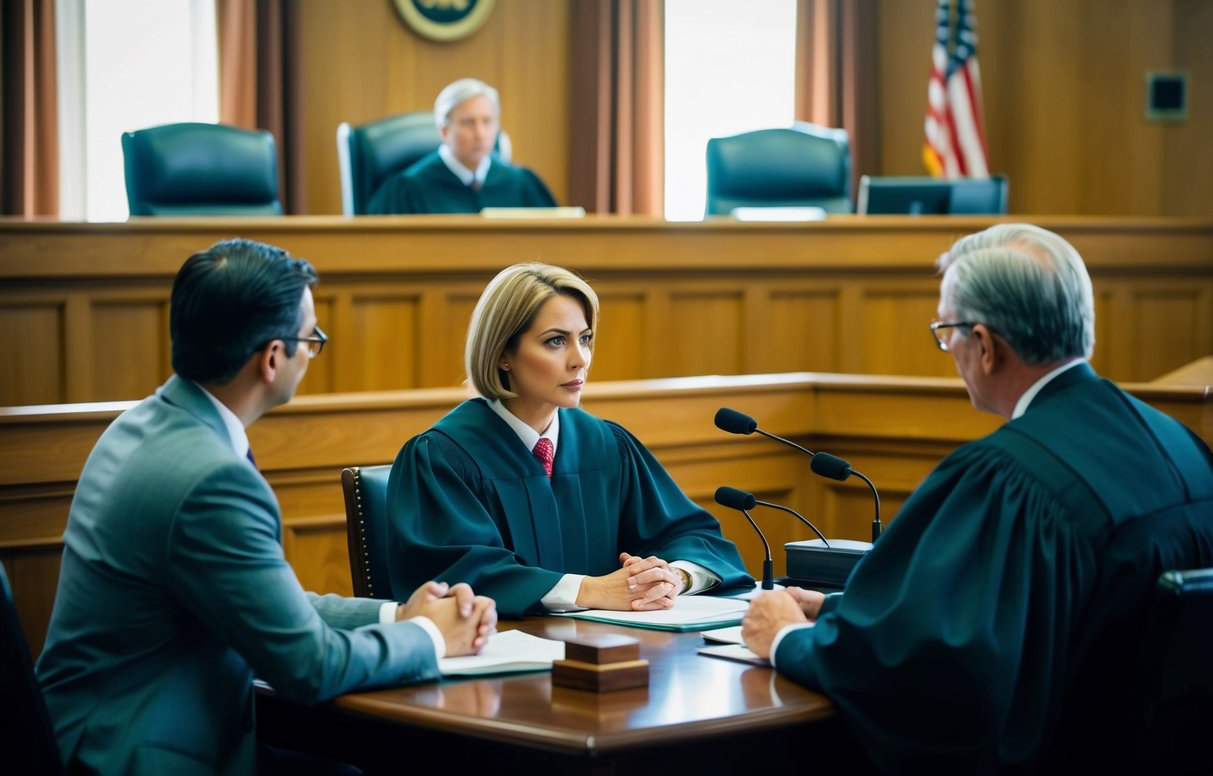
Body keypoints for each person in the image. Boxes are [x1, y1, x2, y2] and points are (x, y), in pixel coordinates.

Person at [742, 222, 1213, 772]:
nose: (950, 349)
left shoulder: (1009, 478)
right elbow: (1040, 624)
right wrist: (841, 611)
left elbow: (935, 685)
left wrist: (788, 640)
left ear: (985, 345)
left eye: (947, 331)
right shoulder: (1185, 447)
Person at [35, 239, 497, 774]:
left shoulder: (141, 425)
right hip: (140, 755)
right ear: (273, 358)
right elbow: (310, 666)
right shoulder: (212, 478)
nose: (312, 350)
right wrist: (433, 636)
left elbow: (267, 604)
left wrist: (398, 613)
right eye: (311, 338)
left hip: (101, 732)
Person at [386, 262, 753, 618]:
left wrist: (671, 577)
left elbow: (693, 536)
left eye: (585, 338)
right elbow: (457, 577)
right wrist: (590, 590)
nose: (580, 360)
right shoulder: (443, 457)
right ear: (502, 355)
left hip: (611, 656)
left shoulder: (608, 447)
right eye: (556, 341)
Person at [367, 78, 556, 214]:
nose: (480, 134)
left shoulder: (521, 183)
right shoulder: (407, 190)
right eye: (468, 123)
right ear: (444, 131)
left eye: (487, 121)